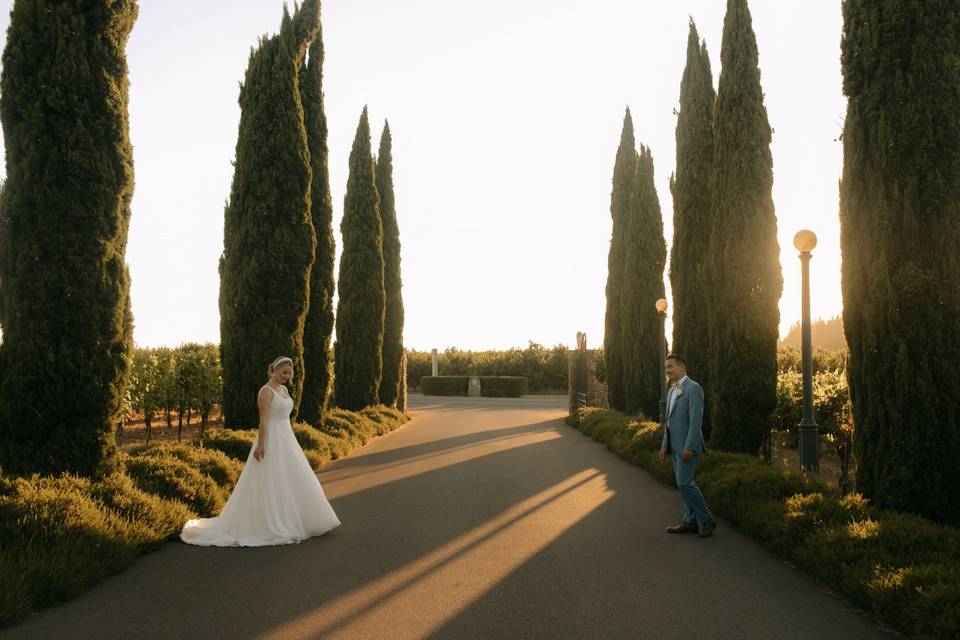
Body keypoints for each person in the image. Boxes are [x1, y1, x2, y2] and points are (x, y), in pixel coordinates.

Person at [180, 356, 341, 546]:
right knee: (270, 478)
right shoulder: (265, 392)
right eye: (282, 373)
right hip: (271, 438)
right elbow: (263, 420)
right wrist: (261, 444)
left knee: (293, 478)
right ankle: (271, 523)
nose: (286, 376)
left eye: (288, 374)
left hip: (286, 438)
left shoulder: (284, 389)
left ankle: (298, 520)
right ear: (273, 370)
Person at [658, 354, 716, 538]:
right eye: (666, 367)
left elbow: (695, 422)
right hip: (674, 447)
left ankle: (707, 520)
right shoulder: (671, 391)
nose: (667, 370)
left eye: (671, 366)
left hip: (687, 447)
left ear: (682, 367)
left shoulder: (694, 388)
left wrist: (689, 447)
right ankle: (690, 521)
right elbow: (668, 422)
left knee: (685, 483)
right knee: (681, 484)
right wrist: (664, 446)